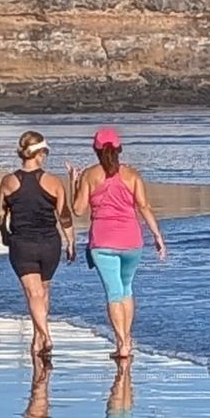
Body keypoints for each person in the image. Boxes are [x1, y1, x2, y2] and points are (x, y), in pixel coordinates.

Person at [68, 127, 165, 362]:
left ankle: (121, 342)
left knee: (114, 293)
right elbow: (144, 206)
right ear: (119, 149)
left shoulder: (90, 175)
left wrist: (74, 183)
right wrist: (157, 236)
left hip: (102, 242)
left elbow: (78, 210)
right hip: (132, 241)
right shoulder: (131, 174)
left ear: (96, 150)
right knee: (126, 289)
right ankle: (127, 339)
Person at [0, 130, 75, 363]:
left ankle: (45, 335)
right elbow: (64, 215)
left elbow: (0, 212)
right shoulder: (53, 182)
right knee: (43, 292)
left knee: (34, 293)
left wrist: (4, 233)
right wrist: (71, 241)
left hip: (22, 244)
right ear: (39, 154)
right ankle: (38, 338)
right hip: (50, 243)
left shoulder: (9, 181)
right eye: (44, 153)